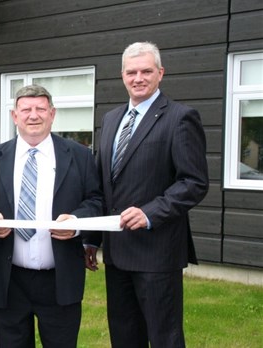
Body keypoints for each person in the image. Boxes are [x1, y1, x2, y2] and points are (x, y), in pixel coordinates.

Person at [85, 41, 209, 347]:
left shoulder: (180, 117)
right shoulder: (112, 119)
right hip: (116, 253)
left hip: (158, 253)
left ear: (160, 73)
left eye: (146, 71)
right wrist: (91, 239)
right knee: (124, 335)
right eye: (131, 72)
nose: (138, 78)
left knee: (164, 337)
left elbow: (194, 182)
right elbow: (103, 184)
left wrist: (150, 213)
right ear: (122, 76)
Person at [0, 84, 103, 347]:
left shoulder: (80, 156)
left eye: (40, 108)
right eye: (26, 109)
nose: (33, 115)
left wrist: (75, 223)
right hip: (9, 280)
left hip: (60, 278)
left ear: (52, 114)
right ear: (14, 116)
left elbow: (96, 201)